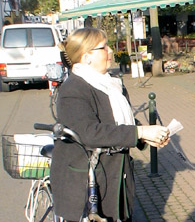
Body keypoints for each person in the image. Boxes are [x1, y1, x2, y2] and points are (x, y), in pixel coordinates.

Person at [51, 27, 170, 221]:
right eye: (104, 47)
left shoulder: (112, 84)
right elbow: (89, 132)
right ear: (87, 57)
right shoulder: (73, 89)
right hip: (88, 181)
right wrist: (139, 132)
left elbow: (121, 122)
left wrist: (148, 137)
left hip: (117, 177)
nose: (110, 52)